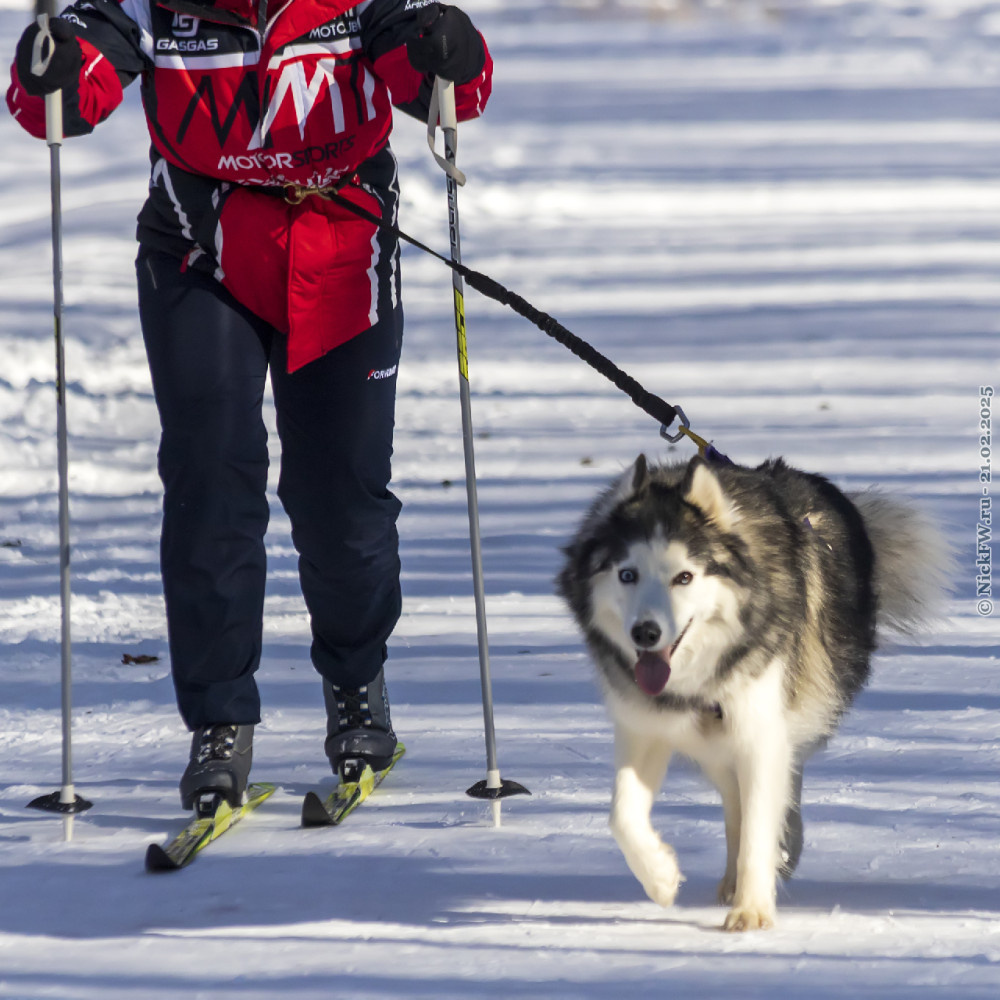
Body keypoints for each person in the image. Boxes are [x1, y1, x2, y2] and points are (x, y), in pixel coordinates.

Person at [8, 0, 492, 813]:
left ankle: (356, 680)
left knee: (343, 500)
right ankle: (220, 721)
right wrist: (48, 69)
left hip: (342, 243)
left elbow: (453, 89)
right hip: (201, 253)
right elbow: (58, 101)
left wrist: (451, 54)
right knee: (211, 483)